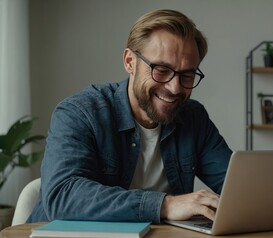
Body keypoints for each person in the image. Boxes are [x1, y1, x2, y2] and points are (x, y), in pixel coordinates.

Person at [27, 9, 232, 224]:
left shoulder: (193, 117)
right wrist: (165, 205)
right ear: (129, 61)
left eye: (187, 75)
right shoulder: (79, 113)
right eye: (161, 70)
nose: (174, 87)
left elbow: (236, 187)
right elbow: (62, 196)